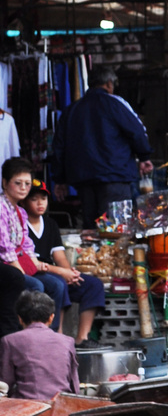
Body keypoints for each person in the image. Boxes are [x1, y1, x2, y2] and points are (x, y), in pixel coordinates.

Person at [52, 65, 154, 229]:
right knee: (117, 230)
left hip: (83, 180)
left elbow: (59, 147)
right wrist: (144, 157)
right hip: (115, 177)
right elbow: (137, 131)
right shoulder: (116, 103)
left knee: (91, 231)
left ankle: (93, 255)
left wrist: (59, 179)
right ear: (109, 84)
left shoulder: (72, 110)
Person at [23, 179, 105, 349]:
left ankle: (82, 338)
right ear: (24, 201)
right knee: (58, 283)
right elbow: (33, 262)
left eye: (43, 199)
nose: (40, 203)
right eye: (34, 199)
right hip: (33, 270)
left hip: (53, 270)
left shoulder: (51, 224)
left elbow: (59, 256)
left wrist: (70, 273)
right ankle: (57, 335)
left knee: (93, 285)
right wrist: (62, 273)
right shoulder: (21, 224)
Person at [0, 157, 68, 330]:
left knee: (57, 285)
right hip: (5, 264)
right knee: (35, 285)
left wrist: (36, 264)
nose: (23, 188)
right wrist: (22, 271)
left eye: (27, 183)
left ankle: (49, 334)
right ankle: (30, 332)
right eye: (18, 183)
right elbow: (4, 245)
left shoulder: (20, 212)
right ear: (5, 183)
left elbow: (26, 243)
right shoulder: (1, 207)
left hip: (17, 263)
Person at [0, 290, 79, 400]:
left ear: (20, 319)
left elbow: (4, 385)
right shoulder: (68, 341)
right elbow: (74, 386)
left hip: (27, 409)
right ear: (51, 318)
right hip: (60, 407)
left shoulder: (9, 341)